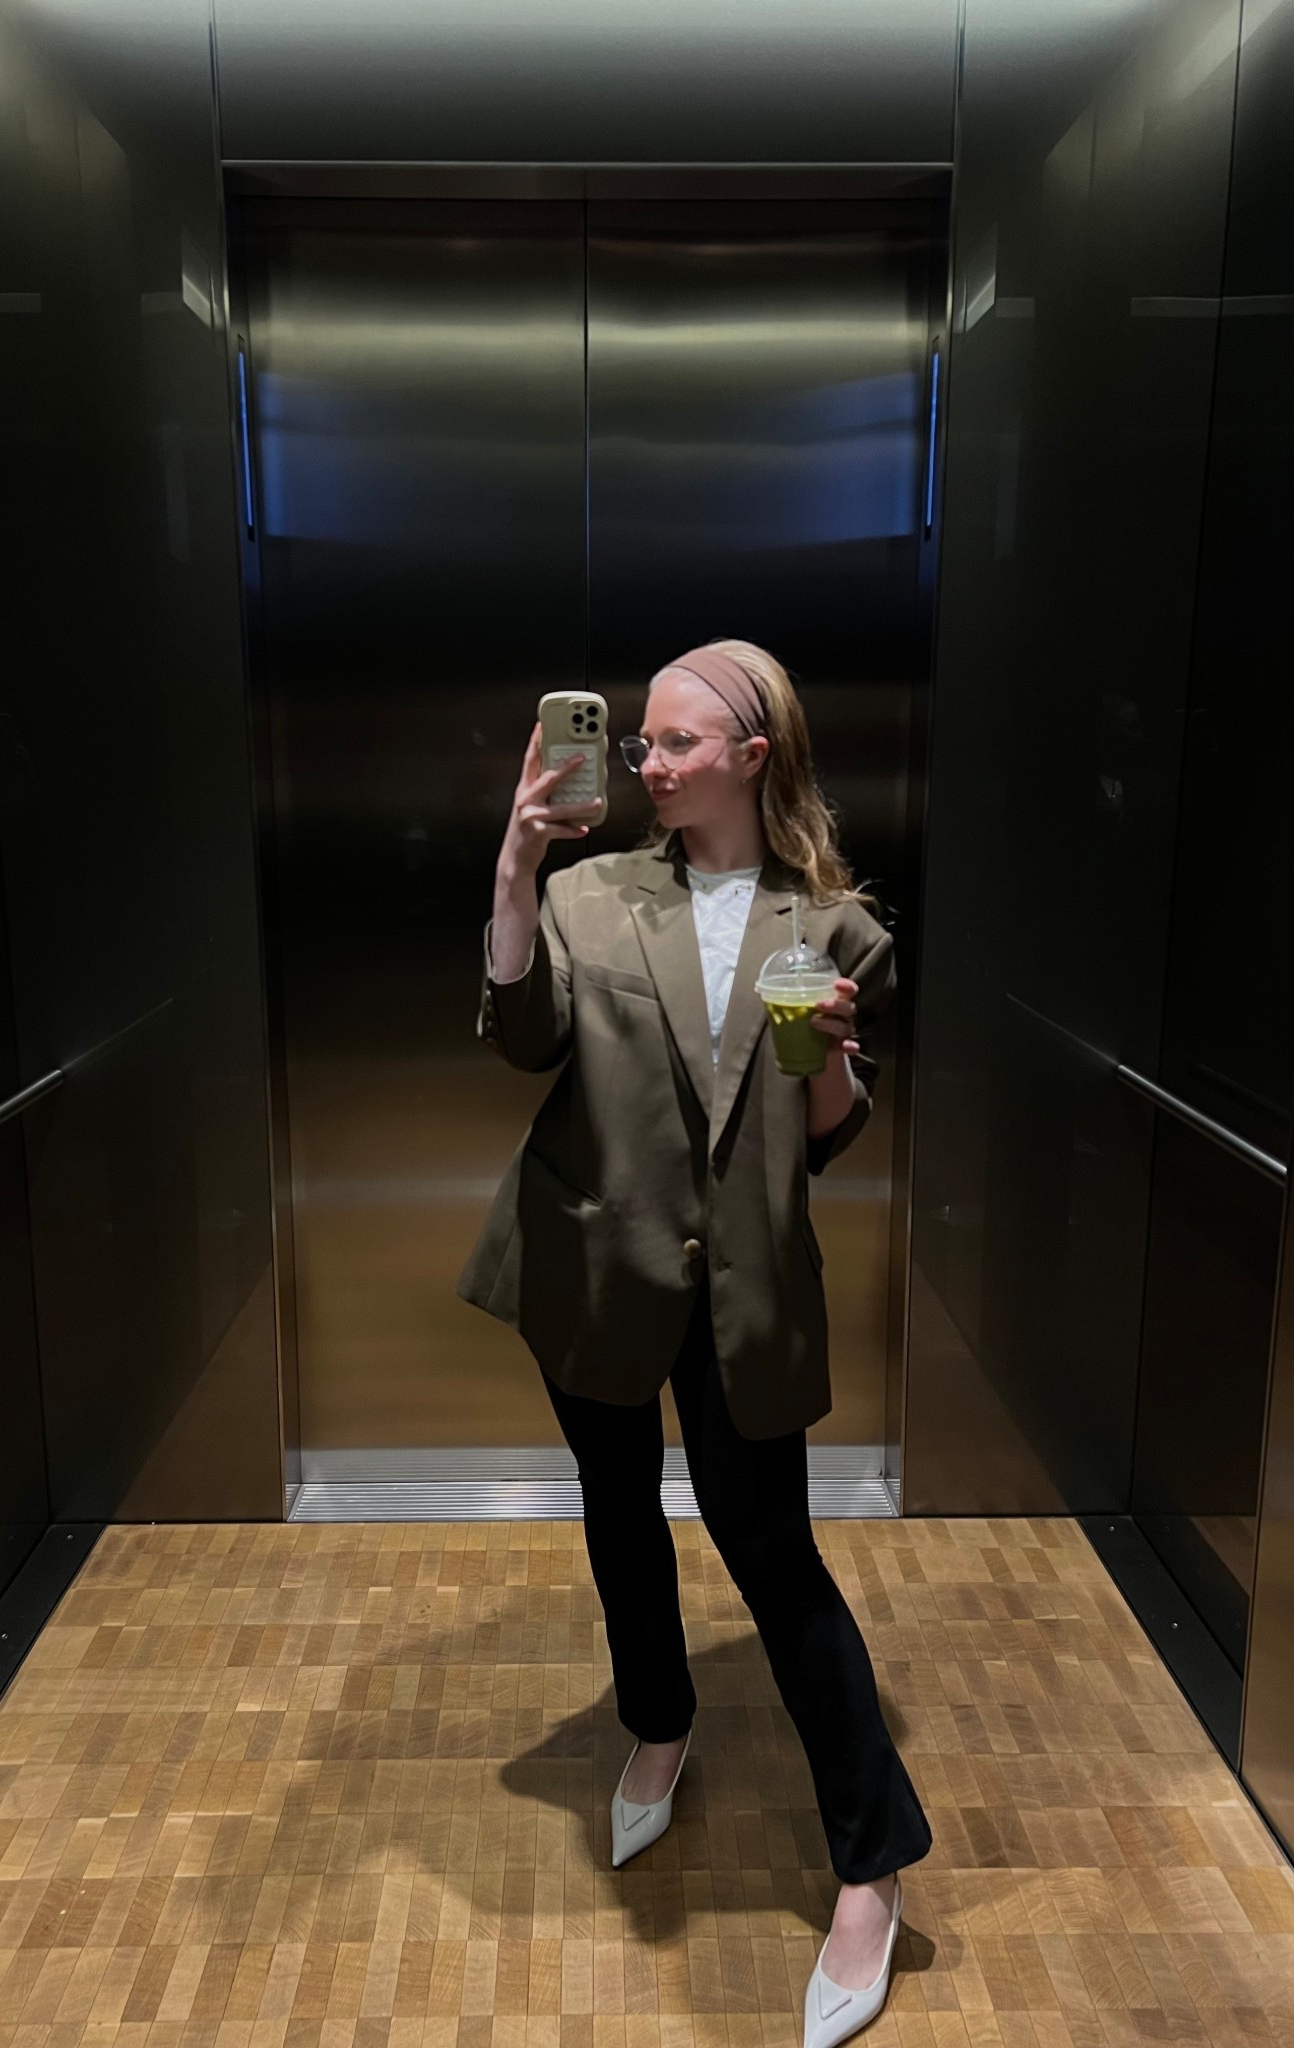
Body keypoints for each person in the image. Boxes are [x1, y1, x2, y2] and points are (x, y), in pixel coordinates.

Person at [458, 640, 931, 2046]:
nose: (647, 765)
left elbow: (826, 1135)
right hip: (595, 1267)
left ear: (753, 754)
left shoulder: (836, 928)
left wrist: (830, 1056)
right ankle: (659, 1725)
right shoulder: (593, 891)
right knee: (618, 1511)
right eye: (641, 743)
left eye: (675, 743)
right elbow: (523, 1037)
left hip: (742, 1289)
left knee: (772, 1555)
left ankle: (872, 1866)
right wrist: (515, 863)